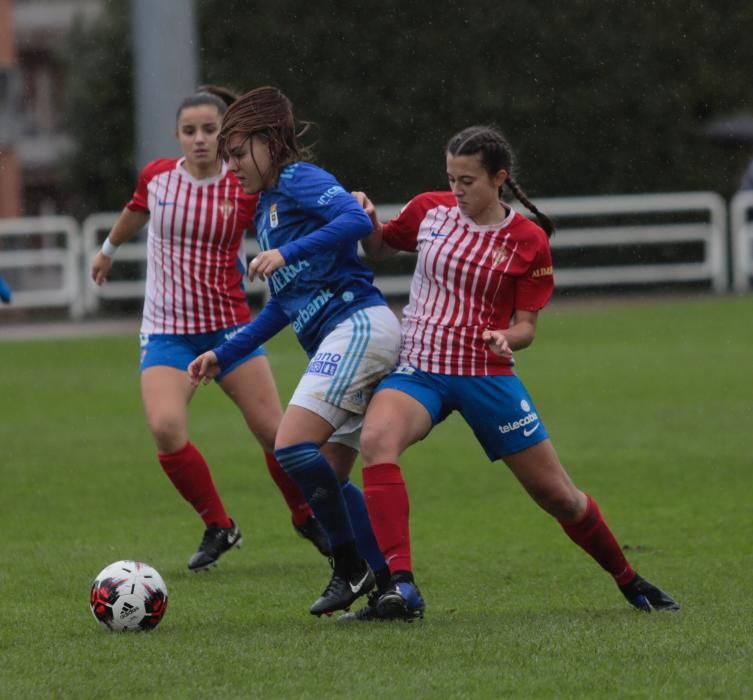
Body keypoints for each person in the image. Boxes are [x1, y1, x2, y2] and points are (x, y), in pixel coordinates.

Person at [344, 125, 680, 621]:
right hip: (420, 370)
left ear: (499, 178)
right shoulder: (429, 211)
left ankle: (630, 581)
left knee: (559, 496)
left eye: (468, 181)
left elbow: (527, 328)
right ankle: (402, 587)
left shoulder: (526, 240)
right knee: (376, 441)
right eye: (451, 178)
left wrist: (506, 338)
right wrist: (368, 220)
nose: (456, 191)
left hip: (486, 374)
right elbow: (379, 250)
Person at [91, 85, 331, 573]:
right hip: (167, 332)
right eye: (189, 130)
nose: (199, 139)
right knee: (165, 428)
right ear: (177, 135)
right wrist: (108, 251)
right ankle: (219, 524)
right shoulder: (157, 179)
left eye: (210, 129)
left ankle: (307, 517)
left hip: (230, 330)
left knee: (275, 433)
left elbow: (285, 218)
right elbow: (135, 210)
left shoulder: (242, 185)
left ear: (227, 135)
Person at [188, 86, 401, 616]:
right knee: (330, 475)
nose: (231, 166)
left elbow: (353, 219)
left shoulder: (297, 179)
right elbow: (282, 307)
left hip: (358, 324)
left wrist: (287, 251)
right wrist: (225, 353)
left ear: (268, 141)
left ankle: (349, 567)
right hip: (344, 336)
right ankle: (390, 586)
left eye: (237, 153)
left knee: (289, 447)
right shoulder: (266, 210)